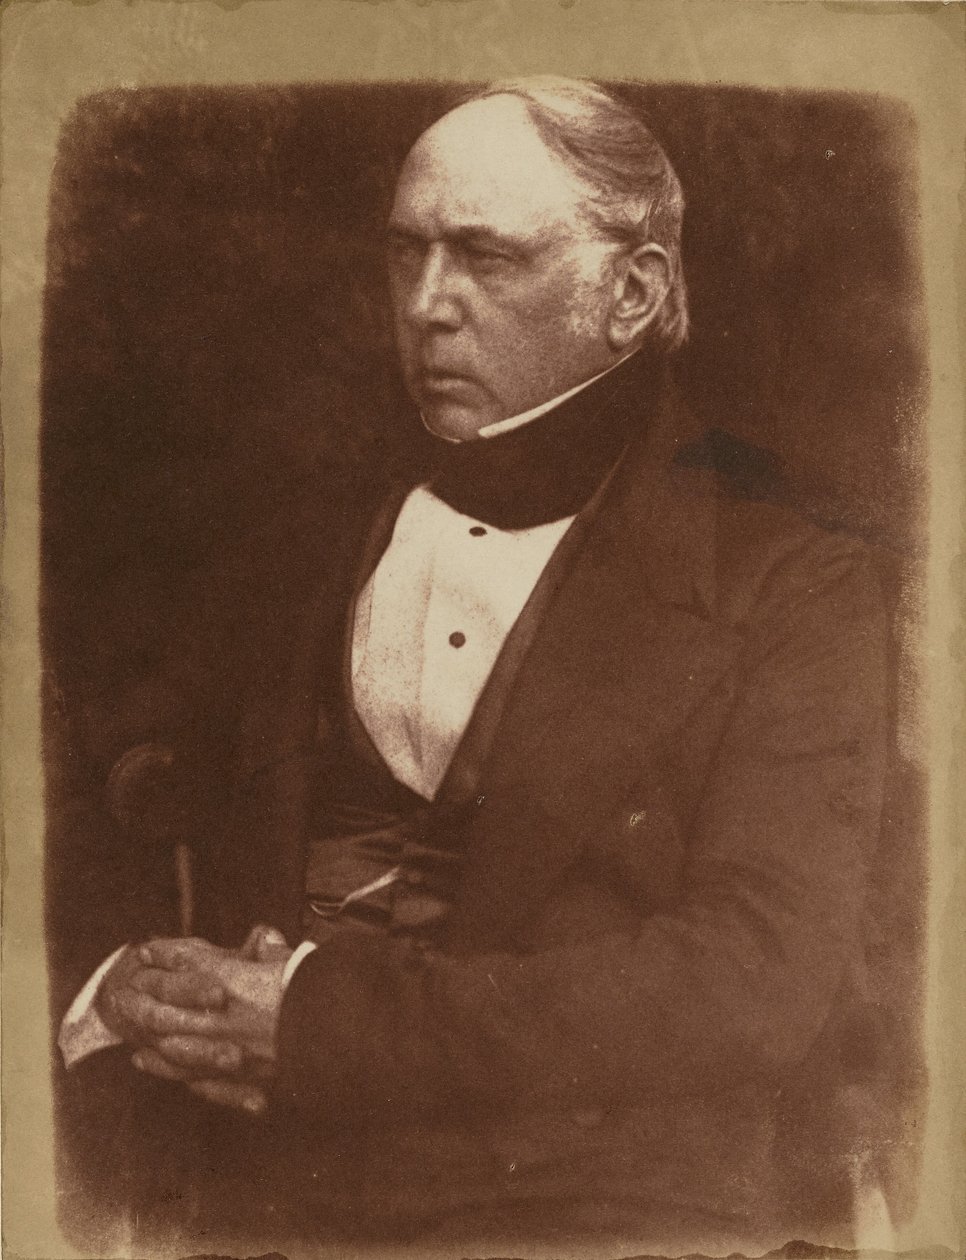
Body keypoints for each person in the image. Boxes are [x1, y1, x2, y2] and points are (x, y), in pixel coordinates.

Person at [58, 77, 889, 1256]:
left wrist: (317, 1025)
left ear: (631, 292)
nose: (427, 306)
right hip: (261, 1186)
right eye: (408, 253)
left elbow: (754, 979)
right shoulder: (301, 528)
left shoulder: (792, 579)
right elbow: (100, 795)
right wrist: (126, 980)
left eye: (486, 258)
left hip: (609, 1206)